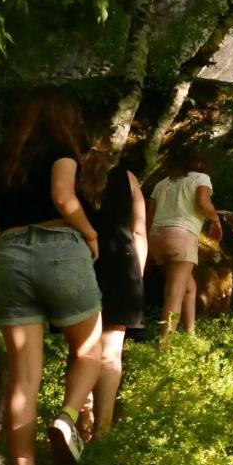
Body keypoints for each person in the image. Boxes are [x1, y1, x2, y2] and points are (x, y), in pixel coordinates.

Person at [0, 89, 102, 465]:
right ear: (63, 120)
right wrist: (90, 232)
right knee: (89, 351)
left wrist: (0, 272)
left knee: (23, 377)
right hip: (60, 248)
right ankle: (66, 417)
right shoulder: (62, 151)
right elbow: (64, 198)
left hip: (10, 256)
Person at [77, 139, 147, 437]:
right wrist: (137, 276)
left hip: (80, 262)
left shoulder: (69, 175)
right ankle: (102, 431)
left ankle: (81, 423)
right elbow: (139, 231)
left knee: (81, 351)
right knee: (111, 354)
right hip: (122, 265)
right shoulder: (129, 179)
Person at [147, 152, 223, 337]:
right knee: (174, 293)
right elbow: (204, 203)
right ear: (198, 163)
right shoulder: (201, 178)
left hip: (156, 238)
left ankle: (191, 334)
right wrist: (215, 219)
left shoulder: (161, 183)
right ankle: (165, 346)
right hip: (181, 237)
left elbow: (149, 217)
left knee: (189, 286)